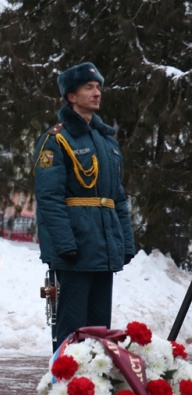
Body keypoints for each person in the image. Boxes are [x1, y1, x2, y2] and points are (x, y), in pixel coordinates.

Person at [34, 62, 135, 351]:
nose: (97, 92)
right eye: (88, 88)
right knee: (71, 331)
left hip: (103, 249)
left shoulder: (107, 141)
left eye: (98, 87)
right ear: (71, 96)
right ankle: (66, 392)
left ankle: (93, 392)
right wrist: (64, 244)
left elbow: (116, 197)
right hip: (75, 248)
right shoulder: (57, 139)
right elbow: (49, 197)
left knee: (99, 332)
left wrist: (125, 242)